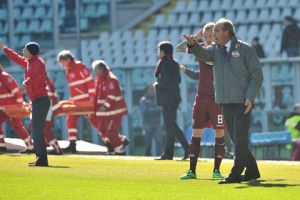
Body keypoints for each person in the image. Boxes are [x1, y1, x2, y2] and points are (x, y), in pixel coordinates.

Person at [183, 18, 263, 184]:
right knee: (236, 139)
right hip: (225, 102)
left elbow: (257, 75)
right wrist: (193, 44)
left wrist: (250, 97)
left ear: (227, 32)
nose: (213, 35)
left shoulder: (245, 49)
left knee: (239, 139)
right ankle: (253, 170)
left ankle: (235, 174)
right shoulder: (215, 50)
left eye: (217, 31)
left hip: (242, 102)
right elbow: (202, 54)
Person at [176, 23, 227, 180]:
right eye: (205, 36)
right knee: (196, 132)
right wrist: (196, 38)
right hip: (202, 96)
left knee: (219, 133)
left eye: (211, 35)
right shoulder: (201, 47)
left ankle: (216, 170)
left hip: (218, 99)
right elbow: (179, 48)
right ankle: (192, 170)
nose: (209, 38)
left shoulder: (223, 50)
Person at [0, 40, 50, 167]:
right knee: (36, 130)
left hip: (40, 100)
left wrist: (25, 84)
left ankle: (42, 160)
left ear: (31, 52)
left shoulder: (38, 63)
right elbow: (15, 58)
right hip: (37, 100)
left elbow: (38, 76)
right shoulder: (30, 62)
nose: (23, 51)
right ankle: (40, 158)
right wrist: (4, 48)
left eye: (25, 49)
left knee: (38, 131)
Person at [153, 41, 189, 160]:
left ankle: (170, 154)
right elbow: (177, 81)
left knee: (170, 126)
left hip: (169, 99)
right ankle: (186, 149)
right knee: (171, 125)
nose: (159, 53)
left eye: (160, 51)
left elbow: (168, 83)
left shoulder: (166, 64)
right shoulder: (174, 63)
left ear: (163, 51)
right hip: (172, 99)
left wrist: (157, 85)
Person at [57, 50, 97, 153]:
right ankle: (72, 144)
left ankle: (111, 142)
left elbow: (89, 81)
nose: (62, 65)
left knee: (95, 122)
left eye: (63, 62)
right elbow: (74, 87)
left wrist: (92, 97)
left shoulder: (80, 66)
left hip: (85, 101)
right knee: (70, 121)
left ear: (68, 59)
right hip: (76, 101)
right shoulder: (68, 70)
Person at [92, 60, 129, 155]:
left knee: (111, 131)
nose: (94, 72)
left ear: (101, 69)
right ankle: (122, 140)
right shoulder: (101, 79)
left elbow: (111, 95)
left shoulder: (110, 79)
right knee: (102, 130)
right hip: (105, 113)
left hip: (113, 112)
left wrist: (104, 106)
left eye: (95, 70)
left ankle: (120, 151)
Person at [0, 64, 34, 153]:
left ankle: (31, 147)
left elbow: (16, 91)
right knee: (18, 127)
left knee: (18, 127)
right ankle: (1, 146)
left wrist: (19, 105)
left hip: (11, 108)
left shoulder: (4, 76)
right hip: (3, 108)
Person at [28, 74, 63, 155]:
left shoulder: (45, 83)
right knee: (36, 128)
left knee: (45, 130)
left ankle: (57, 149)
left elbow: (47, 96)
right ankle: (45, 145)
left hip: (46, 111)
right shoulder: (45, 83)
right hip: (45, 110)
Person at [140, 84, 162, 156]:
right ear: (146, 91)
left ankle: (160, 157)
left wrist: (151, 110)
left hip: (157, 124)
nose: (151, 91)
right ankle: (147, 158)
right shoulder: (143, 100)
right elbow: (144, 111)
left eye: (152, 89)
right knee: (147, 144)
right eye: (149, 89)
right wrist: (154, 111)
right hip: (147, 125)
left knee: (158, 142)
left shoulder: (158, 99)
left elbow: (160, 109)